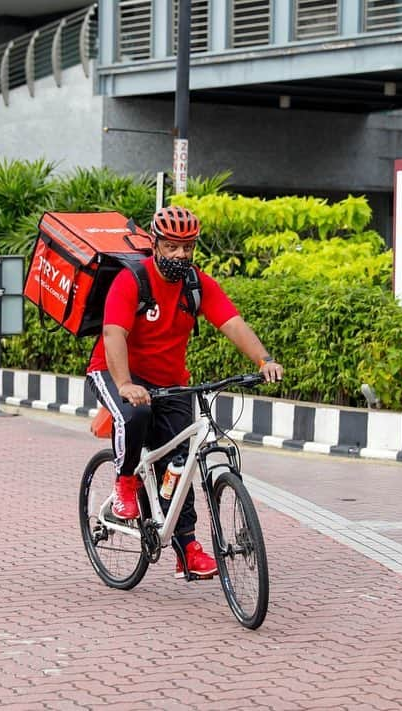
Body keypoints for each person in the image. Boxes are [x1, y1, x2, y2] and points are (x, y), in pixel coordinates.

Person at [87, 205, 284, 579]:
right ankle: (126, 484)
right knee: (136, 415)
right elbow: (114, 335)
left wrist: (264, 360)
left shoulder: (196, 284)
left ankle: (186, 549)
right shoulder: (132, 281)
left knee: (180, 461)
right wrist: (126, 384)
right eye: (173, 246)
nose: (181, 255)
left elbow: (232, 322)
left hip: (170, 382)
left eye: (188, 247)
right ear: (156, 244)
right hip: (114, 372)